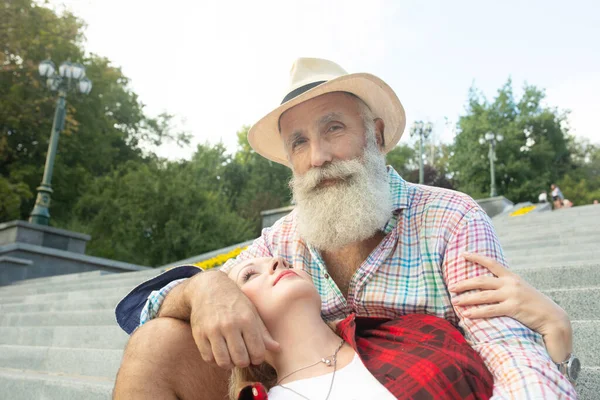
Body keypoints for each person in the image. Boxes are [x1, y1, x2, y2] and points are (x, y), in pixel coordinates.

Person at [113, 58, 577, 399]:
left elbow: (506, 345)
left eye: (333, 129)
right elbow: (140, 309)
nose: (318, 157)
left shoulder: (450, 218)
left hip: (429, 384)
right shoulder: (282, 242)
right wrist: (205, 288)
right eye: (299, 142)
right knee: (157, 342)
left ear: (374, 136)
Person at [226, 256, 494, 399]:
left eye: (285, 261)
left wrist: (539, 325)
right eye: (250, 275)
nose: (278, 263)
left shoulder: (418, 333)